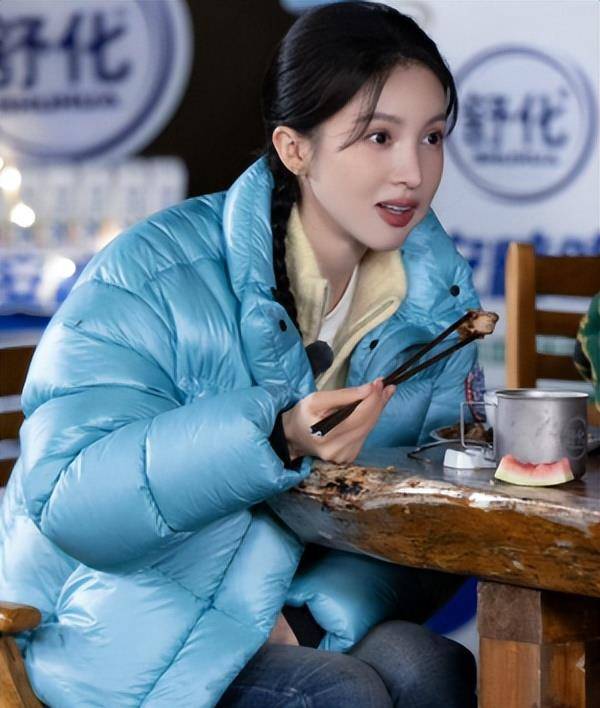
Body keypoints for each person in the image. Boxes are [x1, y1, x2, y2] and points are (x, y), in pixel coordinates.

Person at [0, 3, 480, 706]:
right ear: (295, 148)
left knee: (428, 665)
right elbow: (71, 503)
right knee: (341, 694)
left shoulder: (438, 309)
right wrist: (274, 438)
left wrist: (313, 612)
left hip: (285, 607)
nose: (413, 170)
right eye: (379, 136)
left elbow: (427, 529)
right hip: (107, 623)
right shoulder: (152, 272)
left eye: (432, 136)